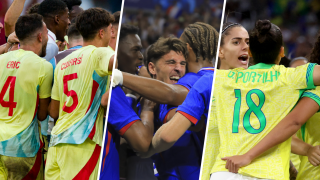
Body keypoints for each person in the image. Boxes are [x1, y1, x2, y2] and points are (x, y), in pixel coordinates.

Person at [204, 20, 320, 180]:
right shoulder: (291, 77)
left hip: (225, 170)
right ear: (282, 52)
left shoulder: (224, 79)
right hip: (268, 173)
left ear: (250, 52)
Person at [45, 8, 114, 179]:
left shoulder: (63, 62)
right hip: (83, 143)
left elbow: (53, 111)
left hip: (57, 143)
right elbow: (115, 62)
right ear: (101, 32)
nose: (112, 36)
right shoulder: (101, 52)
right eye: (111, 31)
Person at [0, 14, 52, 180]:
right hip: (22, 148)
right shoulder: (43, 66)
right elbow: (42, 114)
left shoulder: (1, 60)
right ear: (39, 36)